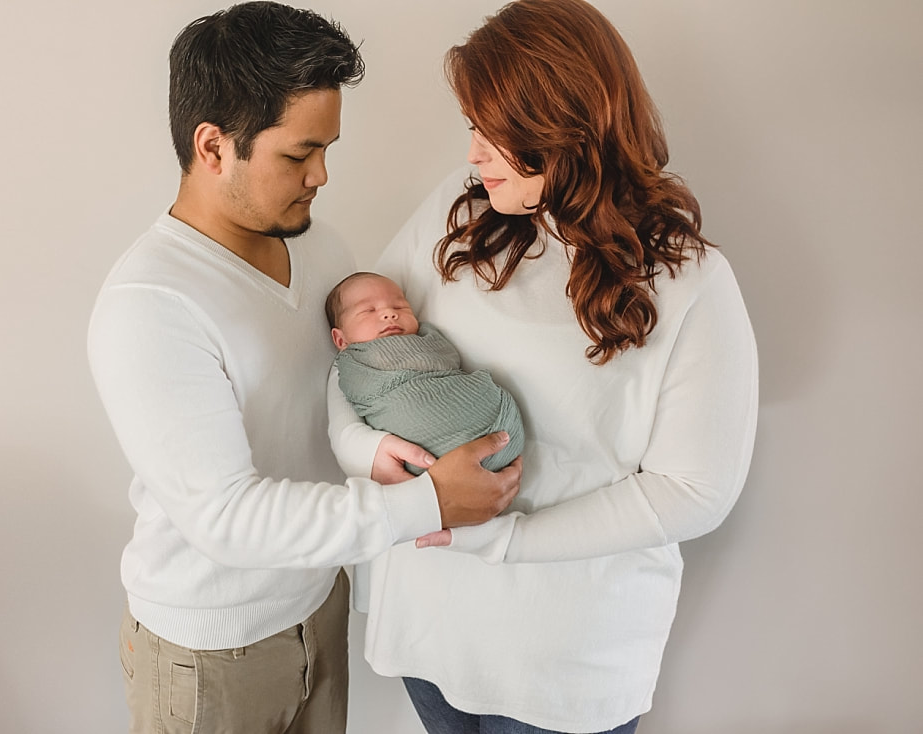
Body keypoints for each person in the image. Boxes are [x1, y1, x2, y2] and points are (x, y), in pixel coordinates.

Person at [86, 3, 520, 733]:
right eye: (298, 154)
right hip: (210, 653)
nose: (321, 175)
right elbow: (225, 515)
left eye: (328, 148)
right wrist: (429, 503)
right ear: (214, 146)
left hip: (318, 607)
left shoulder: (322, 251)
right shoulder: (150, 305)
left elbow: (354, 397)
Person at [327, 1, 759, 732]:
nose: (473, 154)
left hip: (560, 661)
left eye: (491, 133)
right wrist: (365, 451)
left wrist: (509, 541)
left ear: (563, 128)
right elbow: (352, 347)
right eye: (472, 128)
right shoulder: (459, 213)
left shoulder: (689, 282)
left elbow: (696, 491)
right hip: (428, 628)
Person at [327, 271, 525, 473]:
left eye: (399, 306)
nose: (390, 313)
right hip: (432, 456)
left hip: (503, 429)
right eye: (368, 310)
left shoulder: (428, 337)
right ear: (341, 340)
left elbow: (449, 360)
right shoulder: (354, 363)